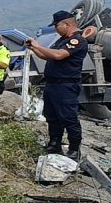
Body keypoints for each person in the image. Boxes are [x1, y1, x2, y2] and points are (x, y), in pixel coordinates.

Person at [25, 10, 88, 161]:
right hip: (52, 84)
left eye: (57, 25)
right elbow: (48, 56)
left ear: (67, 24)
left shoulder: (77, 40)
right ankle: (54, 143)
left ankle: (74, 148)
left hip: (66, 85)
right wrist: (34, 48)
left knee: (68, 118)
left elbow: (59, 55)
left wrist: (38, 45)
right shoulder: (62, 40)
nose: (55, 29)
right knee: (52, 116)